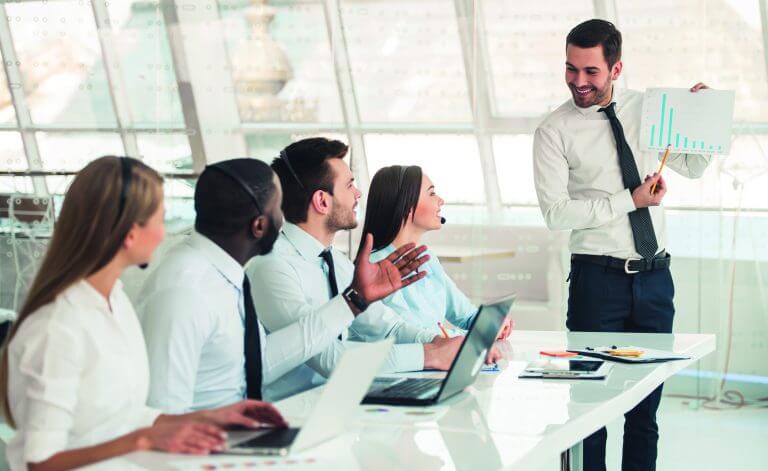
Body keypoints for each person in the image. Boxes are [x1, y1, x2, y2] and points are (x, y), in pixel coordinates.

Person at [0, 156, 286, 471]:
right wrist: (143, 441)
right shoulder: (57, 327)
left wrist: (210, 417)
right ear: (130, 234)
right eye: (160, 219)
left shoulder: (114, 301)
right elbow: (39, 462)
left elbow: (126, 414)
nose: (165, 233)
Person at [532, 19, 711, 471]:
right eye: (571, 69)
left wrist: (702, 118)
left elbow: (692, 165)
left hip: (655, 280)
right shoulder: (554, 130)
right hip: (597, 279)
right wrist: (628, 200)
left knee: (645, 411)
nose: (578, 81)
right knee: (588, 409)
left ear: (616, 69)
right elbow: (556, 213)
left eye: (590, 71)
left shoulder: (650, 108)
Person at [138, 158, 430, 411]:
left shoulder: (224, 272)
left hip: (241, 429)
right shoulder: (184, 289)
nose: (286, 221)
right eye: (279, 210)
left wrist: (354, 300)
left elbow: (259, 363)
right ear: (259, 226)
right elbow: (163, 416)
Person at [247, 138, 475, 401]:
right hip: (291, 415)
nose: (358, 194)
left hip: (338, 403)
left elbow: (388, 328)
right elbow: (332, 359)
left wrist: (442, 344)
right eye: (349, 185)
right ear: (322, 201)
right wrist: (429, 355)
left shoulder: (335, 260)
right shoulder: (273, 268)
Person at [360, 165, 513, 339]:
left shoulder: (427, 259)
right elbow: (416, 336)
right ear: (407, 205)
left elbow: (465, 314)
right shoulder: (376, 267)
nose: (441, 200)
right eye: (432, 193)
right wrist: (479, 334)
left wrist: (491, 323)